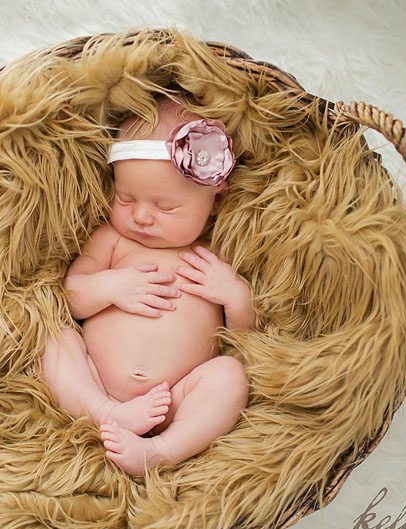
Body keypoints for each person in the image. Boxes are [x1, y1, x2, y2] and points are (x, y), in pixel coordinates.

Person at [40, 94, 255, 477]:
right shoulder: (112, 239)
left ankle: (160, 449)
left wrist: (235, 295)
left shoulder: (215, 254)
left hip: (177, 397)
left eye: (165, 207)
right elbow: (70, 298)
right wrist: (108, 286)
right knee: (55, 339)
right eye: (124, 198)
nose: (140, 216)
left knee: (229, 376)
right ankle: (108, 413)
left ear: (215, 201)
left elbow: (244, 342)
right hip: (95, 384)